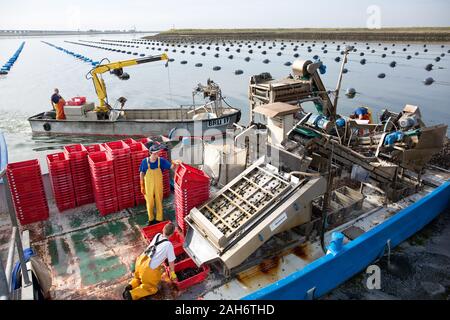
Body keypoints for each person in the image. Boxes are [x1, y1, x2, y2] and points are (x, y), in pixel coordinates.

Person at [123, 222, 178, 300]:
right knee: (151, 288)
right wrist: (173, 274)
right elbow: (171, 262)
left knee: (138, 277)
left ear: (163, 230)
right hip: (147, 270)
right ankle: (131, 294)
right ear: (172, 234)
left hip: (140, 262)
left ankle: (131, 285)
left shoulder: (158, 235)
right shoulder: (168, 245)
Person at [139, 144, 181, 225]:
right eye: (154, 153)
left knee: (159, 201)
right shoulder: (144, 162)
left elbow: (171, 167)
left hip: (158, 186)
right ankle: (151, 219)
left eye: (157, 153)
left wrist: (174, 162)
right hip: (148, 186)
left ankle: (159, 218)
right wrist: (142, 185)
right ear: (150, 153)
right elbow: (141, 173)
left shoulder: (161, 161)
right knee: (149, 202)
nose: (156, 155)